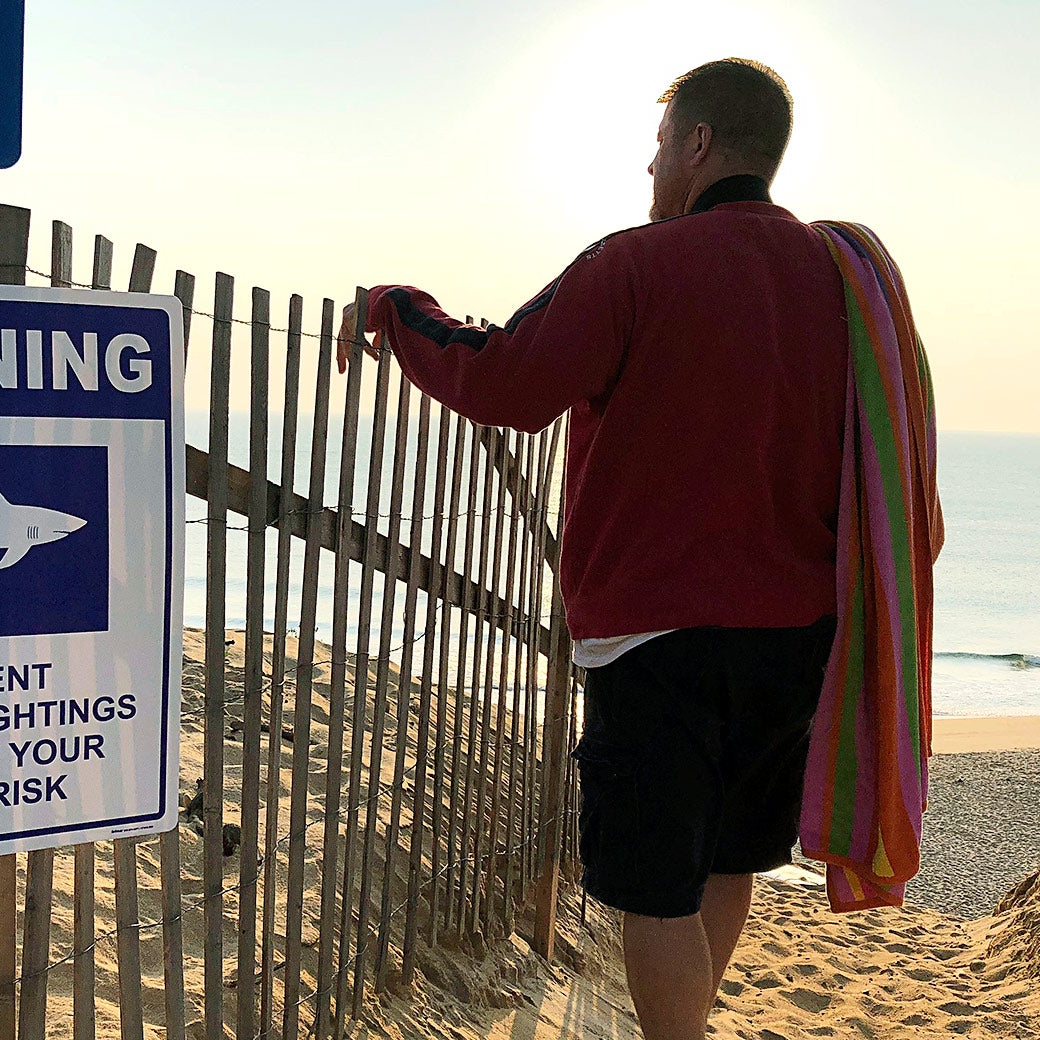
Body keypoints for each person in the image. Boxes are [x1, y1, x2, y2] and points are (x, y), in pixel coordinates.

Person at [334, 59, 916, 1040]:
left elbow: (510, 379)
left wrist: (399, 307)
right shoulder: (841, 284)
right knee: (729, 859)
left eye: (657, 148)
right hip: (797, 634)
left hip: (657, 636)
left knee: (652, 887)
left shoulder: (636, 264)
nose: (650, 172)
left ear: (696, 147)